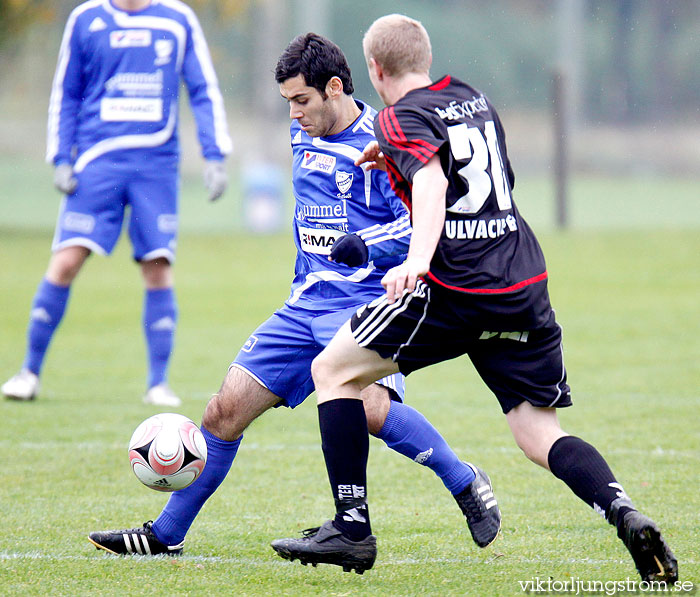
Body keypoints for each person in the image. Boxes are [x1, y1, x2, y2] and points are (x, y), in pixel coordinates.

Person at [271, 14, 679, 583]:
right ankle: (623, 511)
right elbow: (472, 173)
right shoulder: (472, 99)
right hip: (522, 284)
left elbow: (434, 182)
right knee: (538, 432)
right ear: (426, 59)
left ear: (374, 69)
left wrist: (415, 259)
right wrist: (394, 161)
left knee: (333, 372)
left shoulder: (394, 118)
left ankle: (351, 528)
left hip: (454, 289)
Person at [86, 33, 500, 559]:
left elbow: (421, 225)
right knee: (222, 412)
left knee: (371, 408)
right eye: (287, 103)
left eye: (302, 101)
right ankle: (165, 536)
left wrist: (365, 247)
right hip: (304, 303)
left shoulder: (386, 141)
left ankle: (465, 481)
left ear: (334, 88)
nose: (295, 114)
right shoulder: (301, 133)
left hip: (367, 303)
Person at [1, 0, 232, 407]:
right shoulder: (86, 19)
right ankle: (28, 372)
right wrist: (61, 157)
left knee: (157, 266)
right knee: (66, 260)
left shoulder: (177, 20)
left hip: (156, 166)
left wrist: (215, 154)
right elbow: (66, 91)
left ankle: (157, 384)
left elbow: (202, 88)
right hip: (96, 162)